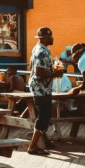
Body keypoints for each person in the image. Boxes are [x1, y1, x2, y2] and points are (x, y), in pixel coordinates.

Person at [27, 26, 56, 155]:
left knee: (46, 114)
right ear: (44, 38)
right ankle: (33, 146)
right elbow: (38, 72)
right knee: (43, 115)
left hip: (42, 88)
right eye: (50, 36)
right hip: (41, 88)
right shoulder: (42, 51)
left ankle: (44, 140)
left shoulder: (38, 48)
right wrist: (54, 74)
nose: (52, 38)